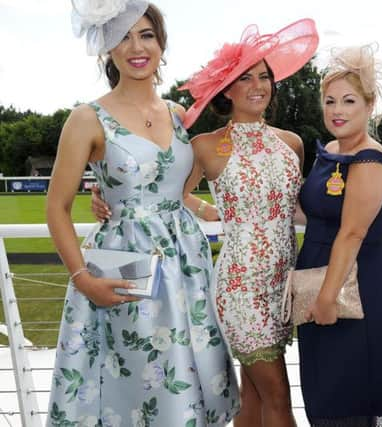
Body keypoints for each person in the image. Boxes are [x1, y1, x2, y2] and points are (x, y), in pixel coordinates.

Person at [46, 1, 239, 426]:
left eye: (146, 34)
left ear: (161, 43)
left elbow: (175, 187)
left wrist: (205, 209)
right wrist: (84, 279)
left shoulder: (178, 114)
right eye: (123, 36)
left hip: (187, 266)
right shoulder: (85, 119)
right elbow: (56, 208)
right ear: (107, 49)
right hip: (125, 266)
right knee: (133, 383)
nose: (136, 46)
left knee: (183, 384)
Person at [178, 19, 319, 427]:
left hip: (284, 285)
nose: (259, 85)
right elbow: (169, 195)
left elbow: (296, 207)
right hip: (240, 288)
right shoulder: (204, 146)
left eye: (264, 77)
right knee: (278, 394)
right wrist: (210, 211)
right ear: (226, 88)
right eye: (246, 78)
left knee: (253, 396)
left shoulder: (290, 143)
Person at [295, 45, 382, 427]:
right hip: (316, 277)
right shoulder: (329, 152)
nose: (337, 110)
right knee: (322, 396)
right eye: (330, 101)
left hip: (354, 285)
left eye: (349, 101)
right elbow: (310, 210)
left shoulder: (370, 160)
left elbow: (352, 234)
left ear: (369, 106)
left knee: (349, 397)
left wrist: (326, 298)